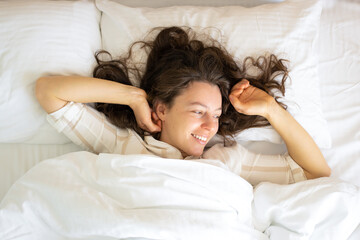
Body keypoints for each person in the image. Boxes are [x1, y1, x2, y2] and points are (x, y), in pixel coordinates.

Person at [35, 26, 331, 186]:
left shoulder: (229, 161)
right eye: (198, 111)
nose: (210, 126)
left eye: (215, 114)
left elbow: (315, 173)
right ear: (161, 109)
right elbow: (49, 92)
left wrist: (270, 109)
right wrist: (135, 97)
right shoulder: (126, 147)